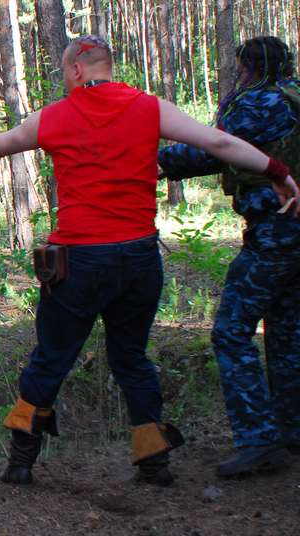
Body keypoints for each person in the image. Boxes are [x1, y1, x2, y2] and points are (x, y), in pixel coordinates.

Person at [0, 35, 299, 486]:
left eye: (65, 73)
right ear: (108, 66)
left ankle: (21, 463)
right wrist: (278, 172)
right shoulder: (150, 108)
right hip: (138, 259)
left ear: (76, 69)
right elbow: (219, 141)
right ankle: (154, 463)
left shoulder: (55, 116)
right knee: (132, 358)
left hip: (78, 262)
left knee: (51, 358)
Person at [159, 36, 300, 477]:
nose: (238, 74)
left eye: (241, 67)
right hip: (288, 231)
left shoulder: (258, 101)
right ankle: (291, 430)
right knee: (287, 333)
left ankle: (259, 438)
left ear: (250, 66)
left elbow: (215, 149)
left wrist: (154, 159)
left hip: (275, 232)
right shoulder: (294, 96)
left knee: (231, 332)